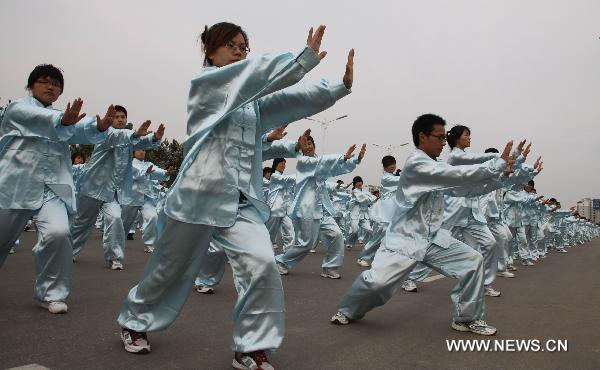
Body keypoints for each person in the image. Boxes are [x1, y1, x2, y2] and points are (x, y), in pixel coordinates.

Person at [117, 22, 354, 370]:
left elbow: (288, 100)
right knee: (171, 268)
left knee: (262, 264)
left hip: (242, 201)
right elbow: (255, 76)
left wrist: (337, 88)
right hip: (198, 196)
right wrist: (302, 59)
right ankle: (134, 322)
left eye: (244, 46)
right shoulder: (206, 84)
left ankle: (252, 348)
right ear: (210, 53)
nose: (240, 51)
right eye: (231, 45)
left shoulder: (250, 102)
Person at [331, 113, 515, 336]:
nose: (443, 143)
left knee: (472, 262)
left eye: (444, 139)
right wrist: (495, 164)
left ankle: (467, 318)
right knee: (377, 284)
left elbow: (461, 189)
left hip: (432, 238)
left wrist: (498, 178)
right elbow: (456, 176)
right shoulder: (417, 164)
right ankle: (347, 310)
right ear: (422, 136)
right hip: (404, 239)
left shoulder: (433, 166)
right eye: (439, 137)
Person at [0, 63, 114, 313]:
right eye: (44, 81)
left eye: (56, 84)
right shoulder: (17, 109)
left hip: (52, 188)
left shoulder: (63, 117)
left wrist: (99, 127)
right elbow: (45, 121)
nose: (50, 86)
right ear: (31, 86)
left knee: (59, 233)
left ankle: (50, 293)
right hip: (15, 185)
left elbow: (77, 130)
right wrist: (62, 121)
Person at [70, 105, 164, 270]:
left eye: (123, 117)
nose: (120, 119)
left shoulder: (128, 140)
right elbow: (123, 137)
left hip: (111, 192)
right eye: (117, 117)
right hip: (92, 188)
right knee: (82, 222)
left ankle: (115, 258)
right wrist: (134, 134)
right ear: (111, 119)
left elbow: (139, 141)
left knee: (116, 219)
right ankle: (69, 251)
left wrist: (154, 138)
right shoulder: (105, 135)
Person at [275, 138, 365, 279]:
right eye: (305, 145)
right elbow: (324, 164)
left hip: (321, 210)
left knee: (337, 235)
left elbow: (333, 169)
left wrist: (354, 160)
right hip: (307, 210)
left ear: (314, 146)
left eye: (310, 144)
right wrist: (342, 157)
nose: (308, 147)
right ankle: (281, 262)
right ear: (301, 148)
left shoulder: (319, 167)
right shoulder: (303, 162)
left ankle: (330, 267)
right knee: (306, 244)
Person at [121, 149, 172, 253]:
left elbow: (157, 171)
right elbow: (132, 175)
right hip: (131, 197)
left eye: (144, 150)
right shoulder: (129, 164)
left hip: (146, 198)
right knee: (124, 223)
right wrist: (145, 173)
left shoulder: (148, 164)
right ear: (134, 152)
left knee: (153, 217)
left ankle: (149, 244)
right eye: (139, 150)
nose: (142, 152)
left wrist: (166, 173)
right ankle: (118, 241)